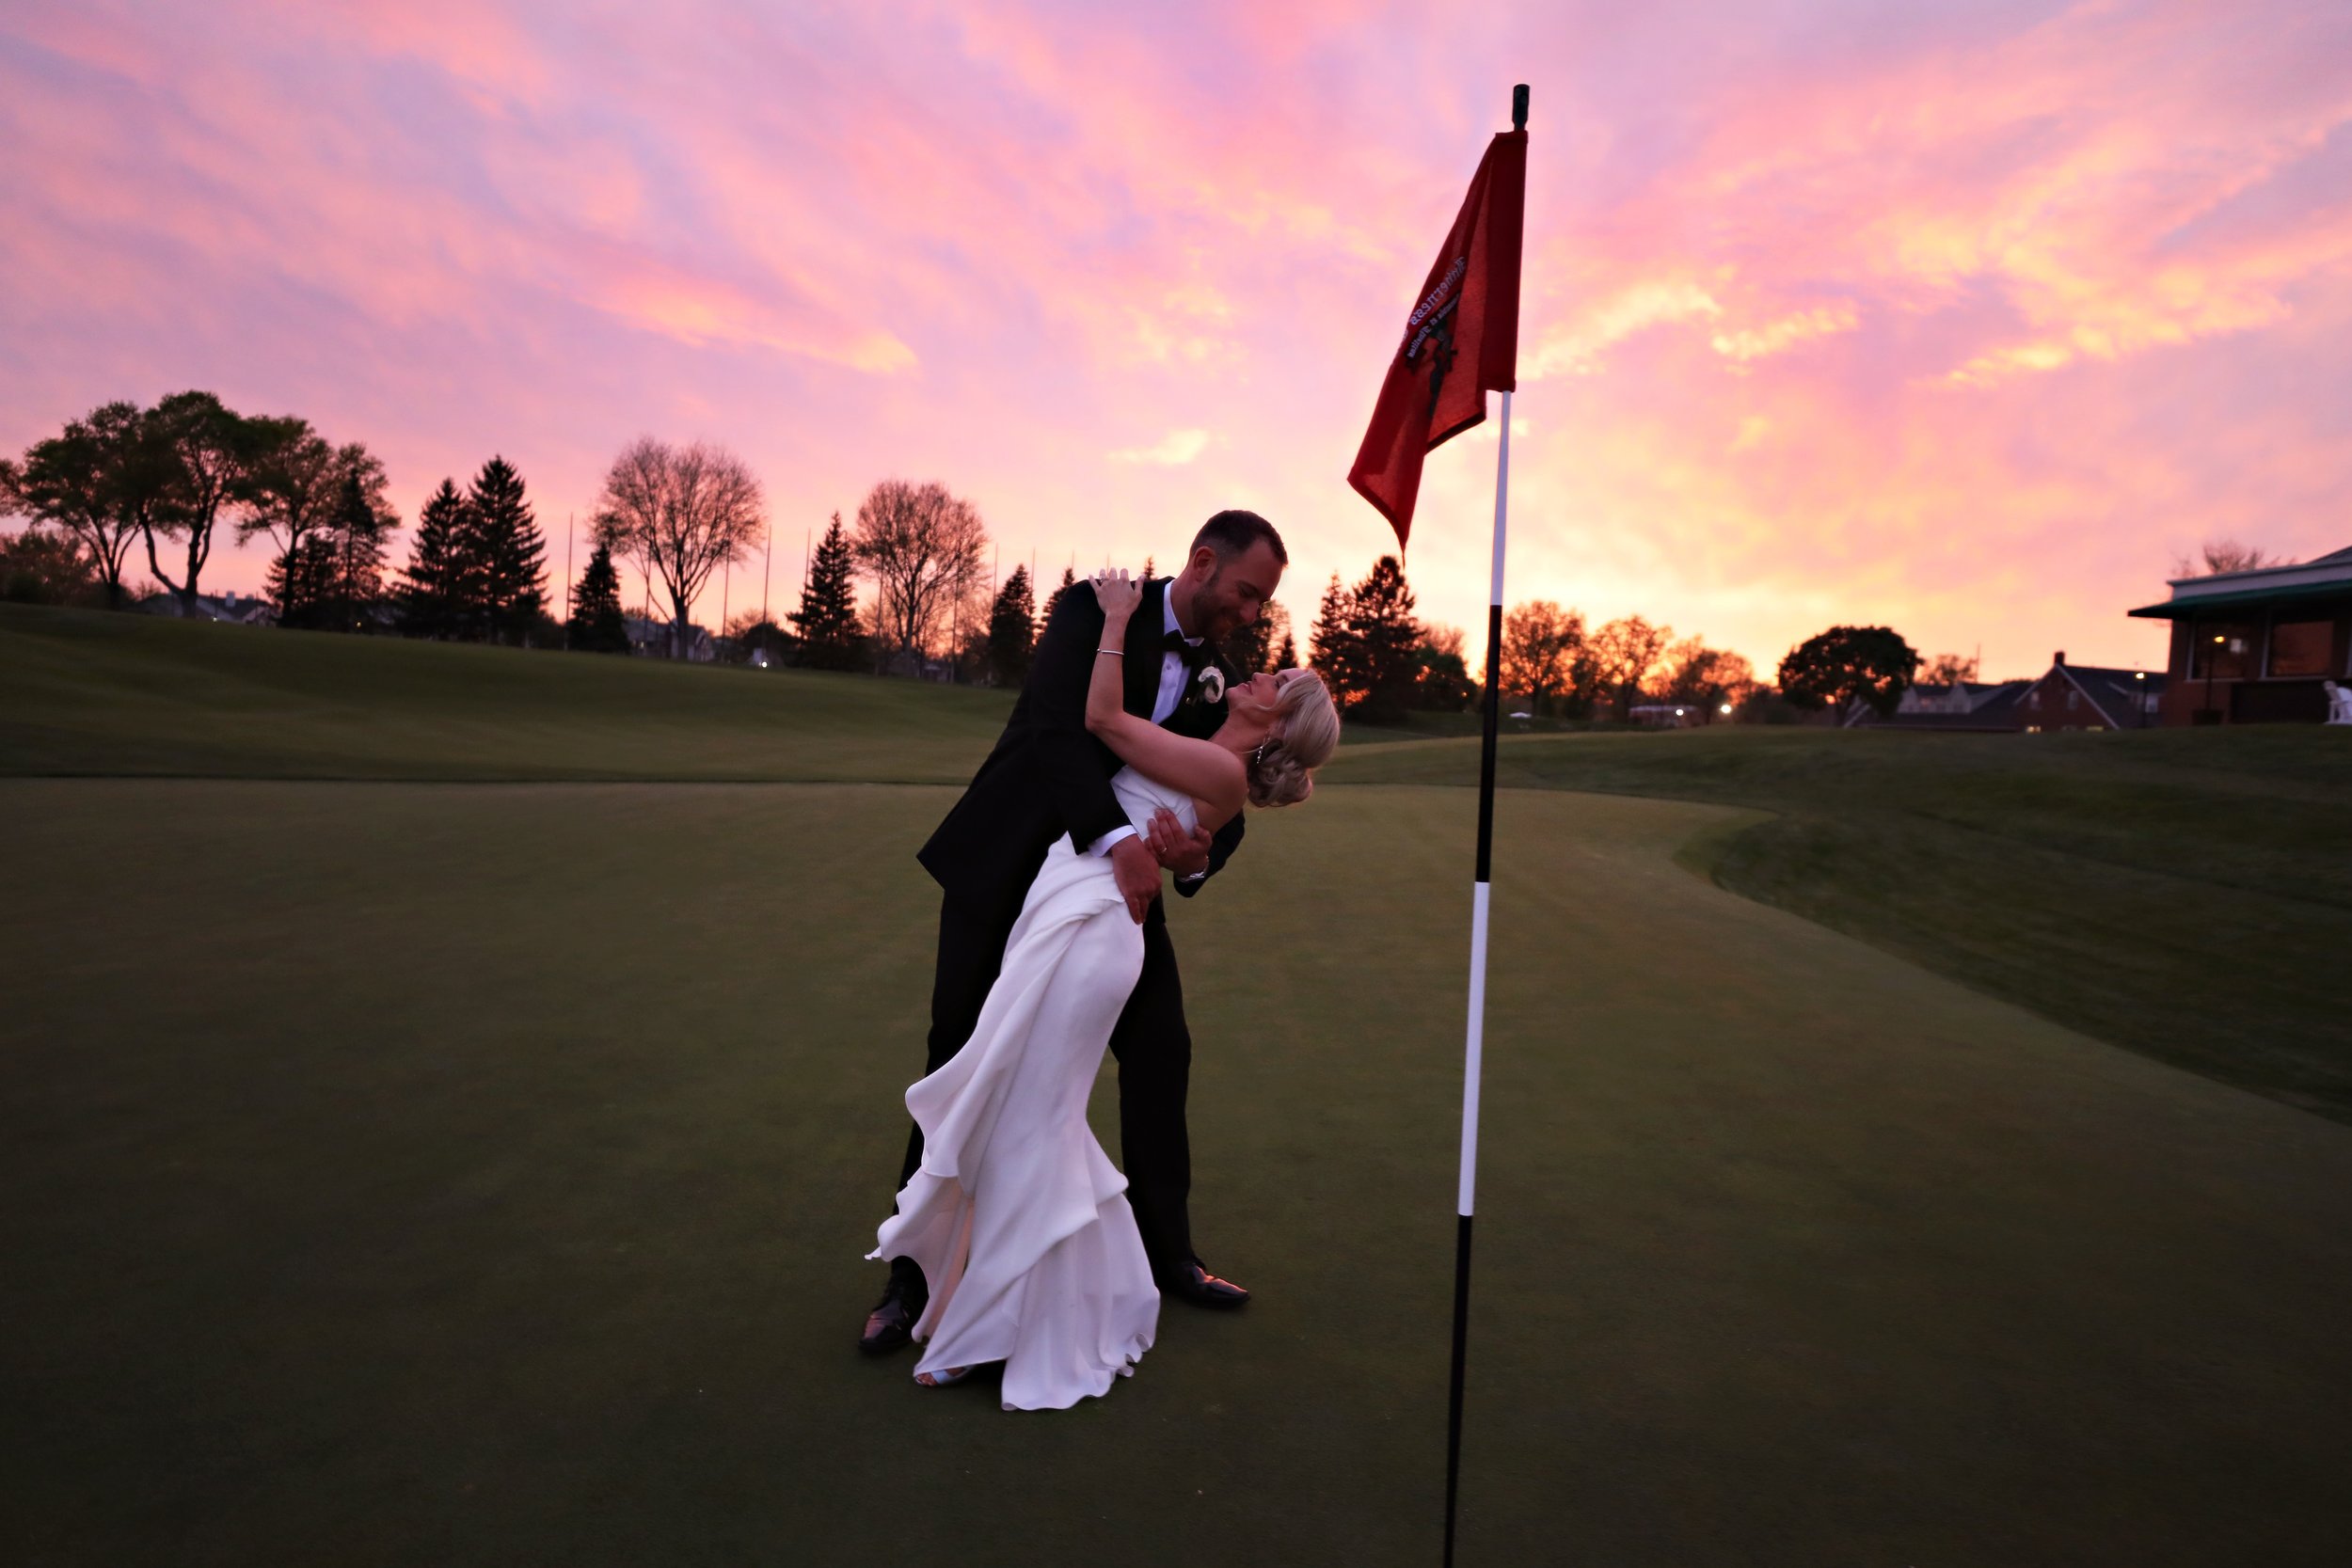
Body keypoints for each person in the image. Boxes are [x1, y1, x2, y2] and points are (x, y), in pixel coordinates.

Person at [869, 563, 1341, 1406]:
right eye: (1249, 591)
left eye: (1263, 601)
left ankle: (1166, 1258)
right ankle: (911, 1280)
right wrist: (1121, 833)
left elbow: (1210, 813)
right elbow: (1060, 731)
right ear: (1207, 564)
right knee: (967, 1051)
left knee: (1155, 1054)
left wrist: (1192, 853)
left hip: (1106, 902)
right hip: (1026, 861)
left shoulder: (1225, 688)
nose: (1254, 615)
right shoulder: (1093, 609)